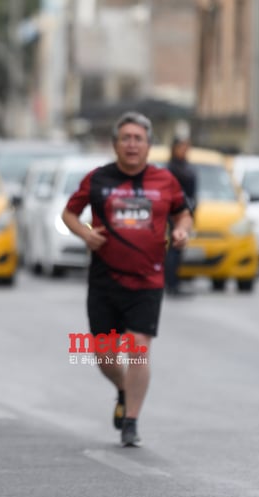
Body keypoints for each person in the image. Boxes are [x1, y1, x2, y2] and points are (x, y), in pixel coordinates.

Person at [61, 111, 193, 447]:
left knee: (138, 350)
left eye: (139, 139)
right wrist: (85, 235)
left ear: (149, 145)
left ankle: (131, 420)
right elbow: (69, 213)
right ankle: (122, 388)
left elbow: (183, 212)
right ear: (116, 144)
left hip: (148, 281)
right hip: (104, 280)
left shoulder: (166, 181)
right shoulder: (98, 179)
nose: (132, 144)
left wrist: (180, 231)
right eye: (126, 138)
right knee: (105, 356)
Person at [164, 135, 197, 296]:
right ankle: (171, 283)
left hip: (186, 211)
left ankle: (174, 280)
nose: (185, 150)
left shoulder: (186, 166)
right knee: (175, 247)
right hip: (175, 212)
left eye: (186, 147)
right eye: (182, 147)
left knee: (179, 247)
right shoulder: (172, 168)